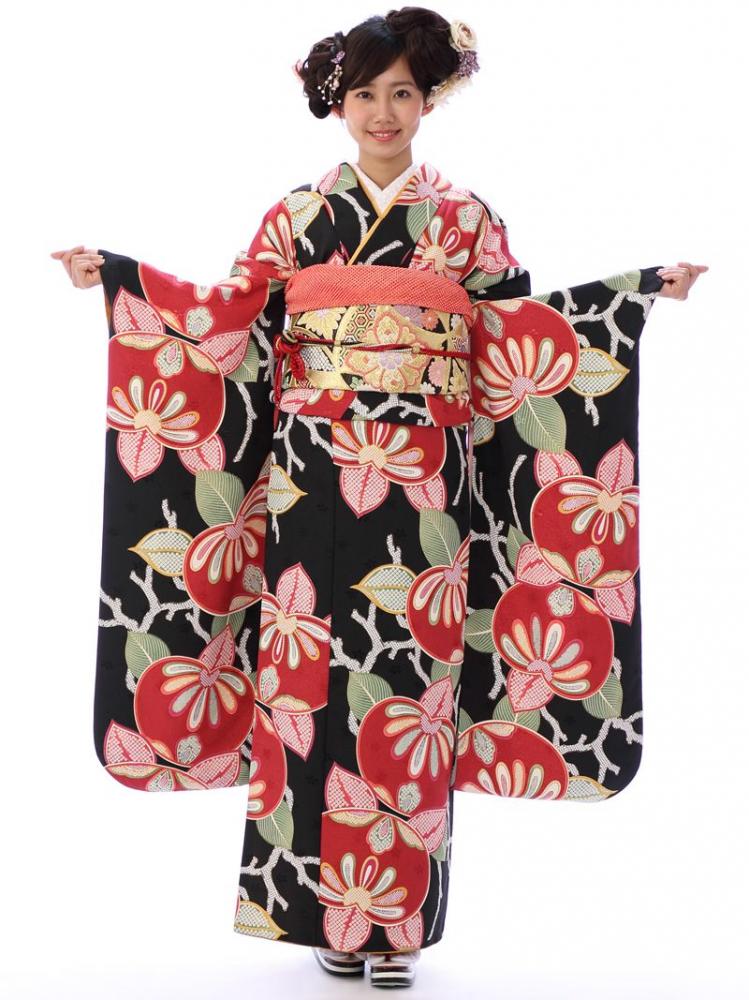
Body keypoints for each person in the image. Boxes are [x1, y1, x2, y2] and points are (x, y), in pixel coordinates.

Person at [51, 6, 706, 991]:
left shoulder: (464, 217)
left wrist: (634, 291)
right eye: (364, 94)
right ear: (337, 102)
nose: (383, 112)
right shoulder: (295, 215)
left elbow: (519, 331)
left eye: (402, 92)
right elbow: (229, 324)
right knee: (303, 678)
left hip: (428, 483)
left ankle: (393, 925)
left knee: (411, 688)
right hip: (309, 471)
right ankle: (320, 911)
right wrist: (120, 279)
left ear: (429, 99)